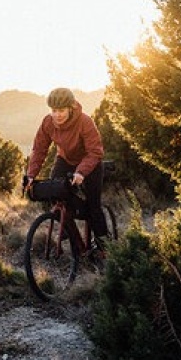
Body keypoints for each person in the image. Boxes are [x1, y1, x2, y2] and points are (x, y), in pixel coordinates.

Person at [23, 87, 108, 246]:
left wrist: (81, 172)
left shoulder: (84, 121)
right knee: (56, 194)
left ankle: (104, 245)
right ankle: (70, 231)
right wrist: (31, 175)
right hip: (65, 160)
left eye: (61, 110)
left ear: (71, 107)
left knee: (93, 205)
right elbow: (39, 149)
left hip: (90, 163)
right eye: (54, 110)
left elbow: (95, 152)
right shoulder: (48, 122)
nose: (57, 115)